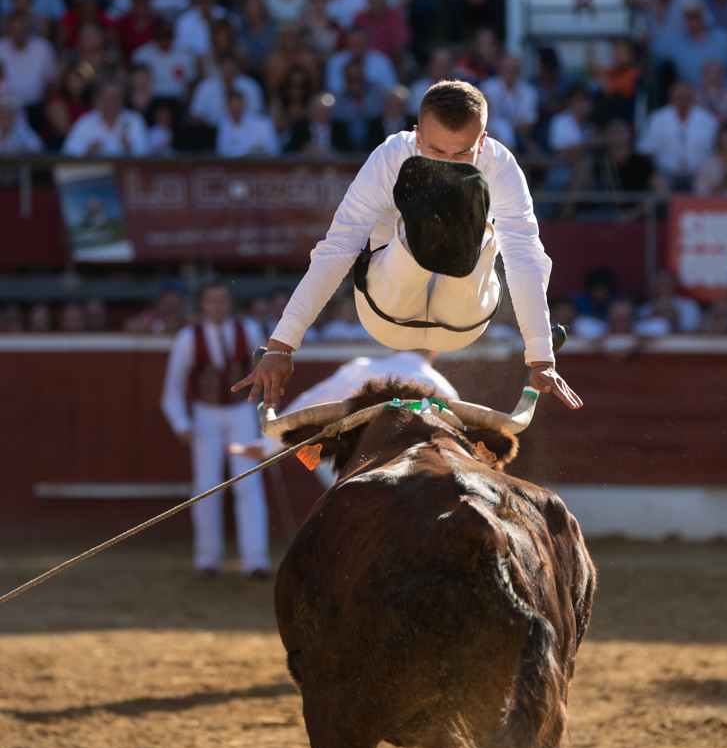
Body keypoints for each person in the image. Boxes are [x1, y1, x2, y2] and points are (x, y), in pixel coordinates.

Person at [233, 79, 582, 412]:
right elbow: (337, 248)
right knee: (426, 214)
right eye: (435, 149)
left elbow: (525, 257)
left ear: (482, 141)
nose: (446, 162)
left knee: (478, 227)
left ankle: (461, 229)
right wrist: (282, 345)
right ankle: (426, 233)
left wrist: (541, 356)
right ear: (416, 136)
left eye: (461, 152)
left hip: (462, 321)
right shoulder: (391, 156)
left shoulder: (500, 164)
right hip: (388, 311)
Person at [160, 279, 271, 579]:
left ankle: (256, 560)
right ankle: (207, 560)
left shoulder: (247, 330)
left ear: (228, 303)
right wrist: (181, 424)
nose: (217, 306)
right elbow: (172, 389)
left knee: (248, 484)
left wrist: (266, 416)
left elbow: (267, 375)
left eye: (222, 300)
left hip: (241, 413)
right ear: (203, 305)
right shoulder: (187, 338)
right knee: (206, 488)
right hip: (205, 416)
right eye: (212, 300)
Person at [230, 347, 460, 489]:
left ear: (394, 345)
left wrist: (267, 445)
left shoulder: (362, 368)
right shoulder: (445, 391)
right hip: (421, 483)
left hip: (356, 477)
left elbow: (310, 403)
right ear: (435, 350)